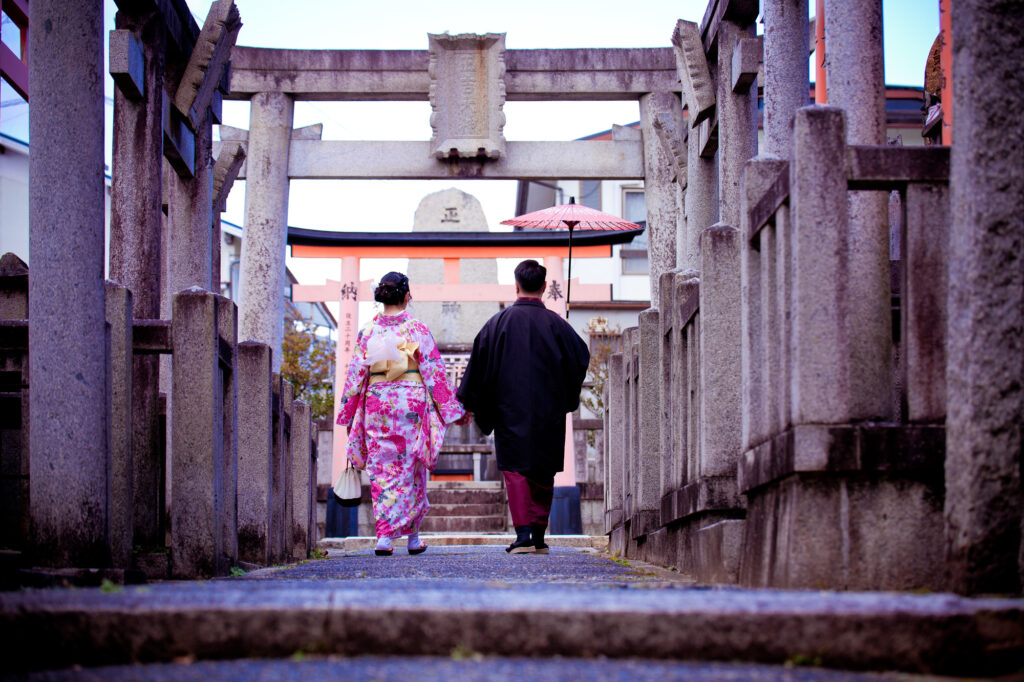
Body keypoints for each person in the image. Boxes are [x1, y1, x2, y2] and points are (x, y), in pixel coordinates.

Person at [457, 259, 590, 554]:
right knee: (544, 469)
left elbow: (478, 367)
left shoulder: (497, 324)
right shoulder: (558, 325)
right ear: (543, 288)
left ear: (516, 285)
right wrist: (565, 391)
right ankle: (539, 534)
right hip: (548, 409)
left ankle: (524, 534)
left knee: (515, 469)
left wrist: (467, 403)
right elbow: (580, 358)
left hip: (509, 409)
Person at [337, 272, 468, 556]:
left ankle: (384, 538)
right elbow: (433, 370)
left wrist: (348, 411)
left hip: (378, 404)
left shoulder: (368, 330)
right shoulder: (417, 328)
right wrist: (451, 409)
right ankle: (413, 538)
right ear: (407, 295)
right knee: (412, 467)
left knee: (382, 469)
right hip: (411, 403)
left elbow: (356, 374)